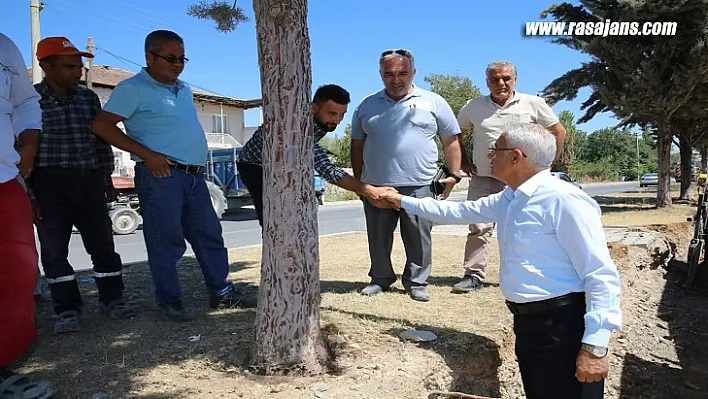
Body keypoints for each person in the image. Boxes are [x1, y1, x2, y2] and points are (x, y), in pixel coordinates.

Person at [379, 123, 621, 399]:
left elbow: (600, 274)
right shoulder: (511, 197)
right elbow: (459, 211)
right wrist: (400, 200)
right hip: (530, 324)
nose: (490, 156)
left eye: (496, 150)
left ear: (516, 156)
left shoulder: (562, 200)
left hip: (564, 326)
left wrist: (595, 346)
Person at [92, 30, 243, 322]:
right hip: (160, 175)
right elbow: (102, 126)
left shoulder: (184, 89)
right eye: (170, 58)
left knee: (209, 236)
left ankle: (222, 292)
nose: (178, 64)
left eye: (182, 58)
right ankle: (169, 300)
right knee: (166, 241)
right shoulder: (132, 88)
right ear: (150, 57)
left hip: (194, 176)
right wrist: (147, 155)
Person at [30, 37, 135, 334]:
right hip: (48, 183)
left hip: (88, 180)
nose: (78, 72)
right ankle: (66, 309)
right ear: (46, 66)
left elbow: (101, 141)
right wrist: (31, 194)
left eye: (79, 66)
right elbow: (22, 149)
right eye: (69, 66)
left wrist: (106, 177)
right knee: (53, 251)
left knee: (103, 245)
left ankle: (113, 299)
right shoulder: (29, 100)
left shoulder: (88, 99)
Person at [350, 49, 463, 302]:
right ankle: (380, 279)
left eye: (402, 73)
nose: (396, 79)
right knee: (378, 238)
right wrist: (360, 185)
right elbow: (356, 147)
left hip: (421, 185)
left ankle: (417, 282)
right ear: (381, 74)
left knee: (419, 238)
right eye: (389, 74)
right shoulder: (366, 105)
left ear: (413, 72)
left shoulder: (434, 101)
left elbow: (451, 141)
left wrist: (453, 175)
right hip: (378, 186)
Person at [452, 60, 567, 293]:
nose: (500, 83)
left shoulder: (533, 104)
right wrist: (463, 161)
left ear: (515, 80)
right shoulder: (474, 106)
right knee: (478, 227)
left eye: (506, 78)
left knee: (526, 226)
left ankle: (528, 274)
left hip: (522, 180)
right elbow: (456, 134)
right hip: (484, 177)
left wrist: (546, 164)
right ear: (487, 82)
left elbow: (558, 131)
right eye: (494, 79)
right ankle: (473, 276)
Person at [238, 84, 394, 227]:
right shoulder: (297, 129)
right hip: (254, 167)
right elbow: (328, 170)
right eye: (332, 113)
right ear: (313, 108)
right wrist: (369, 190)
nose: (337, 120)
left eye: (342, 114)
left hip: (284, 163)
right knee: (273, 220)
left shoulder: (317, 122)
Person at [0, 32, 55, 398]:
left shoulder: (4, 46)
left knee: (15, 277)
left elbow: (26, 103)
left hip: (4, 178)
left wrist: (29, 143)